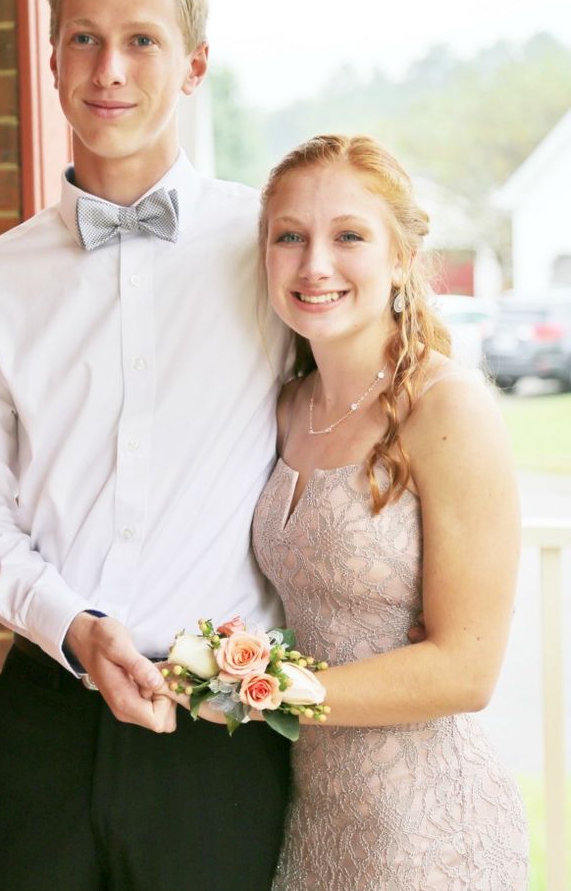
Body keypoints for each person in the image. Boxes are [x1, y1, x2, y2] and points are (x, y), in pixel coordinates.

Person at [0, 0, 292, 891]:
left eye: (141, 40)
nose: (109, 68)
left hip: (218, 729)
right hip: (42, 719)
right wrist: (74, 625)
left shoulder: (273, 253)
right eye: (83, 38)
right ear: (50, 61)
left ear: (194, 64)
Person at [173, 134, 529, 888]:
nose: (315, 265)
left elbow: (467, 668)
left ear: (401, 258)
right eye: (290, 236)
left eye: (349, 237)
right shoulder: (285, 407)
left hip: (429, 831)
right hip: (310, 816)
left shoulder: (447, 408)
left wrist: (260, 690)